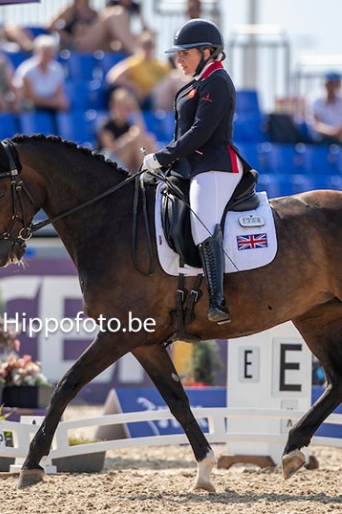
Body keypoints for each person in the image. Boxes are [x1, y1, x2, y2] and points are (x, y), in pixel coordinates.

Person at [141, 19, 246, 324]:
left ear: (208, 51)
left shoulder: (218, 82)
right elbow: (182, 134)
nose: (179, 59)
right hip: (190, 167)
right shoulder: (196, 85)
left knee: (203, 221)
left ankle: (218, 300)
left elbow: (200, 132)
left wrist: (163, 156)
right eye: (179, 53)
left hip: (214, 167)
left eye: (185, 53)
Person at [105, 30, 171, 110]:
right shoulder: (134, 63)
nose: (149, 48)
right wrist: (134, 87)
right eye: (146, 45)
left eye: (151, 45)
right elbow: (113, 77)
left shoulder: (162, 65)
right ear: (140, 46)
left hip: (161, 97)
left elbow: (169, 81)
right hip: (145, 100)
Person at [96, 87, 156, 170]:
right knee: (136, 140)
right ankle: (148, 172)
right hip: (108, 166)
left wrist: (135, 109)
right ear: (113, 106)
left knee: (148, 139)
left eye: (127, 108)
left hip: (127, 165)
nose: (124, 110)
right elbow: (111, 151)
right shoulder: (106, 125)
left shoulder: (128, 126)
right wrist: (129, 139)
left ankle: (150, 172)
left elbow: (142, 133)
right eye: (121, 106)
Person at [13, 35, 69, 113]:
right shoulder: (27, 70)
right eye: (45, 53)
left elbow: (58, 93)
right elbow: (29, 97)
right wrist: (51, 103)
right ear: (37, 52)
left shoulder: (57, 69)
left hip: (50, 105)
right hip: (33, 106)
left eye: (51, 53)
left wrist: (60, 103)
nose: (48, 56)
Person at [74, 0, 147, 54]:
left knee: (120, 13)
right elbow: (62, 31)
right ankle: (137, 53)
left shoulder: (93, 12)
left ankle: (137, 51)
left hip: (103, 46)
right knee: (115, 14)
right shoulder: (70, 10)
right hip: (78, 45)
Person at [305, 71, 342, 145]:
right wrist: (330, 132)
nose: (331, 87)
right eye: (329, 84)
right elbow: (316, 123)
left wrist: (337, 131)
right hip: (321, 137)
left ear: (339, 85)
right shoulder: (316, 100)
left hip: (340, 136)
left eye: (334, 84)